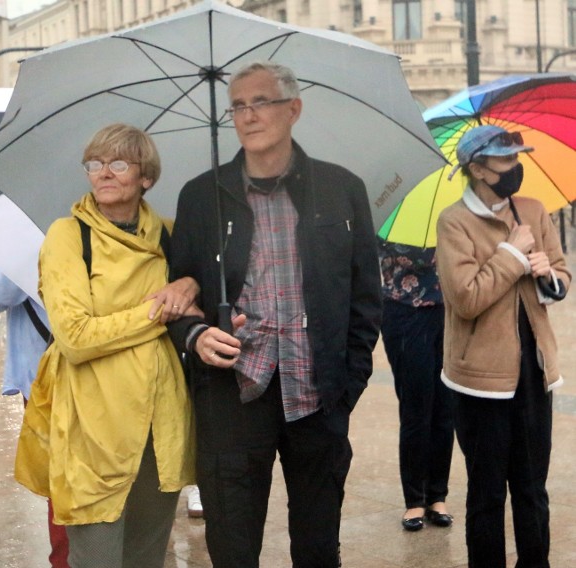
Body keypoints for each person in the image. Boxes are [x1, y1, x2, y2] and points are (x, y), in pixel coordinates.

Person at [166, 61, 382, 567]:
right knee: (233, 546)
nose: (247, 115)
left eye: (260, 101)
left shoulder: (341, 190)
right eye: (238, 106)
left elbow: (365, 296)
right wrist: (196, 334)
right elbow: (177, 298)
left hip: (318, 394)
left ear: (293, 109)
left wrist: (349, 381)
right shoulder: (202, 197)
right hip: (232, 395)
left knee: (317, 546)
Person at [14, 123, 200, 568]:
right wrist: (160, 308)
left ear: (146, 177)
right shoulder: (67, 235)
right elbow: (75, 337)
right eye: (95, 164)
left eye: (118, 163)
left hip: (161, 419)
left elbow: (203, 294)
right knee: (96, 558)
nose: (104, 173)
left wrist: (190, 282)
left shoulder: (172, 235)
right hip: (93, 422)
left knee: (146, 557)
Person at [436, 124, 570, 568]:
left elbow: (562, 279)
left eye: (518, 159)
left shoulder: (533, 211)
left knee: (532, 488)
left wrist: (545, 273)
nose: (515, 168)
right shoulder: (454, 221)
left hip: (533, 372)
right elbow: (466, 299)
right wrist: (512, 256)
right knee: (487, 491)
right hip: (480, 382)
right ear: (477, 168)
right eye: (505, 161)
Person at [0, 262, 69, 568]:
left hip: (46, 380)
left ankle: (68, 562)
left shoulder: (32, 244)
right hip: (98, 375)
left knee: (61, 485)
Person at [378, 240, 454, 532]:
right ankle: (415, 499)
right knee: (416, 407)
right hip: (404, 311)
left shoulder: (450, 206)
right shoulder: (388, 205)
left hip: (448, 311)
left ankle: (437, 496)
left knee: (445, 408)